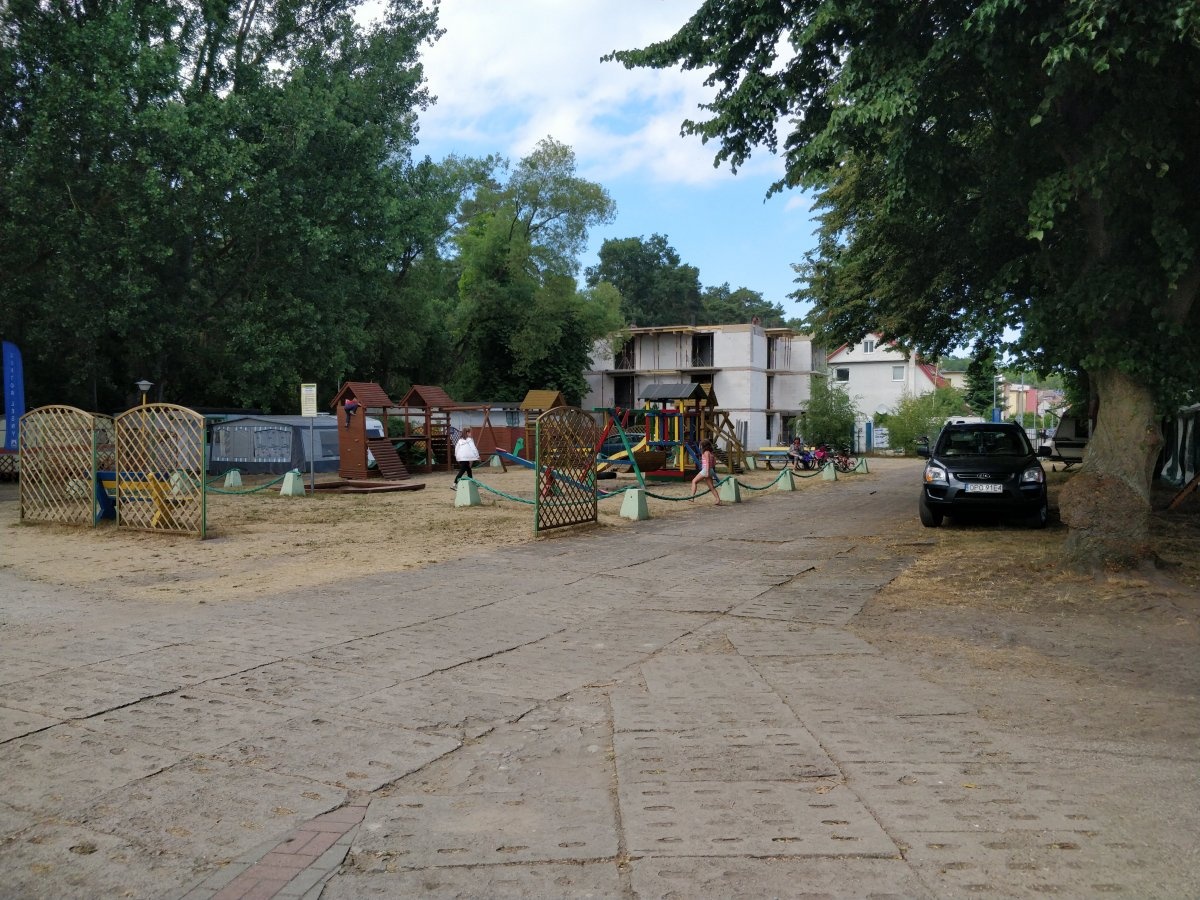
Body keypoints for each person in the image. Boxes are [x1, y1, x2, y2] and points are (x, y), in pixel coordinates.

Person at [690, 439, 721, 505]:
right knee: (711, 486)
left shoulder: (706, 452)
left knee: (694, 481)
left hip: (706, 470)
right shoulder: (711, 453)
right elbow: (714, 463)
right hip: (711, 469)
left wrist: (707, 472)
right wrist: (710, 470)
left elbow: (707, 462)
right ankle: (717, 499)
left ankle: (692, 497)